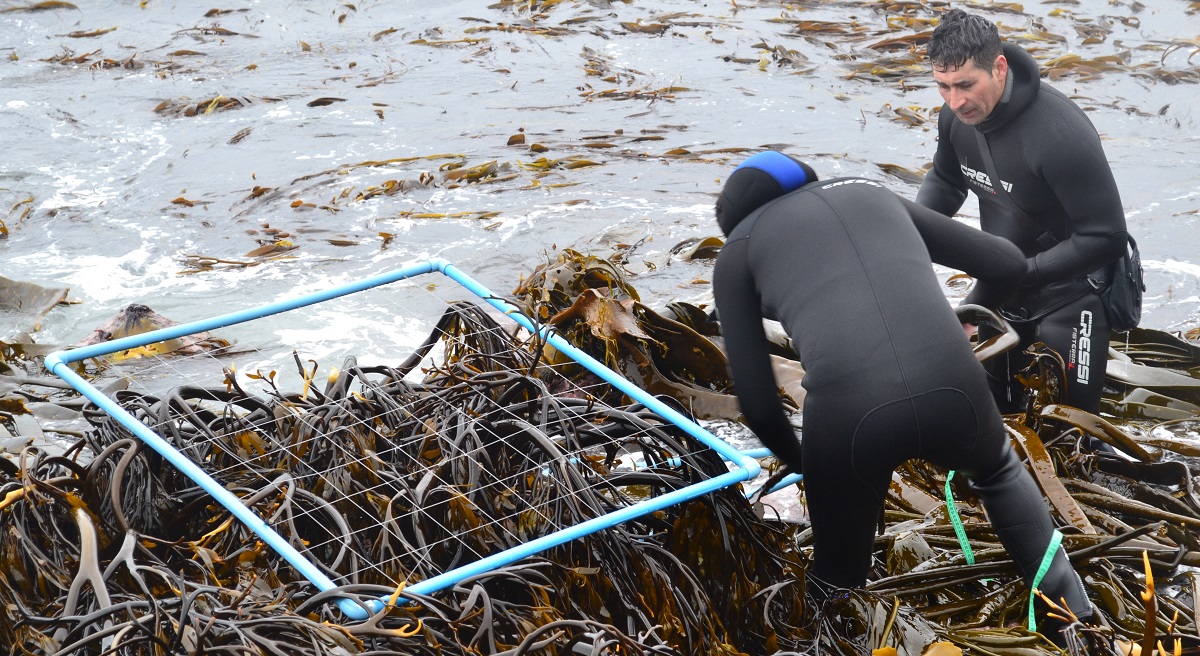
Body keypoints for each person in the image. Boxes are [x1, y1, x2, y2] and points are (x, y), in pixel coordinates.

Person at [711, 150, 1094, 646]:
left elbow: (759, 404)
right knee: (998, 472)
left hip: (849, 413)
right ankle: (1080, 626)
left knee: (839, 586)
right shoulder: (868, 192)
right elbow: (1007, 261)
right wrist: (968, 315)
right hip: (954, 381)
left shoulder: (737, 252)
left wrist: (807, 463)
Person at [916, 8, 1129, 417]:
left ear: (998, 68)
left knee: (1070, 432)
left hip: (1071, 297)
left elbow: (1106, 237)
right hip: (1003, 289)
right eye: (942, 86)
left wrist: (1010, 274)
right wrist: (909, 239)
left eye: (965, 84)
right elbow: (945, 181)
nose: (955, 100)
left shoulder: (1058, 134)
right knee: (994, 418)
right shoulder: (956, 118)